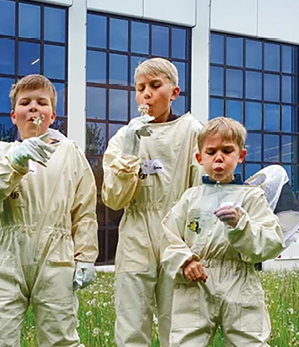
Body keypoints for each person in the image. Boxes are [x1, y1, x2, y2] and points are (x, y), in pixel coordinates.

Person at [0, 74, 100, 346]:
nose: (33, 108)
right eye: (25, 103)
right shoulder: (0, 154)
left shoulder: (70, 154)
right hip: (9, 255)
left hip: (57, 258)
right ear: (13, 115)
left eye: (41, 103)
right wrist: (15, 162)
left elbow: (84, 209)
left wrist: (86, 255)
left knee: (61, 338)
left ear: (52, 116)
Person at [101, 58, 204, 346]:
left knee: (179, 325)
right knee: (131, 324)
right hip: (136, 235)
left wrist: (193, 244)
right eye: (140, 87)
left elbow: (201, 191)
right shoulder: (124, 137)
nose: (146, 93)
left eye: (155, 85)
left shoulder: (192, 131)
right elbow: (113, 198)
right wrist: (131, 152)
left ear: (174, 92)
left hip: (177, 235)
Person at [160, 117, 286, 346]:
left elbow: (273, 239)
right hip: (195, 282)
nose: (219, 157)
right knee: (186, 341)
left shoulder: (251, 196)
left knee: (249, 341)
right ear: (199, 158)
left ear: (241, 156)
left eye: (227, 150)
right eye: (211, 152)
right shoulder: (191, 198)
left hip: (239, 280)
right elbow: (168, 238)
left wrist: (241, 226)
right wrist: (185, 261)